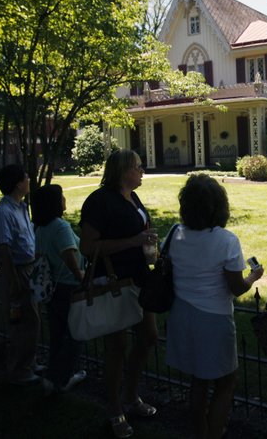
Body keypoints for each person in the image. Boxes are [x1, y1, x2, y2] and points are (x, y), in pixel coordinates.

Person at [165, 174, 264, 439]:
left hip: (181, 315)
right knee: (225, 381)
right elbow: (237, 288)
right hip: (213, 320)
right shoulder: (226, 240)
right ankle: (215, 432)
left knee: (198, 380)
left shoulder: (175, 234)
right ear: (219, 206)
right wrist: (254, 276)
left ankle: (200, 431)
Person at [80, 149, 159, 438]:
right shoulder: (99, 202)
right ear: (123, 170)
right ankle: (115, 409)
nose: (142, 171)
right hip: (113, 283)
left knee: (149, 336)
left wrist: (147, 243)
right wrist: (133, 241)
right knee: (116, 347)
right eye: (138, 166)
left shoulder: (132, 197)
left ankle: (130, 395)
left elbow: (138, 231)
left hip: (139, 277)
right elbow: (87, 248)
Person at [31, 184, 87, 395]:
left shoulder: (39, 227)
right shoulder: (60, 226)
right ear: (55, 203)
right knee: (75, 334)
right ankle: (60, 379)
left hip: (52, 287)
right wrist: (82, 278)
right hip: (69, 286)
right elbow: (70, 256)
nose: (65, 199)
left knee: (57, 333)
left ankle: (52, 375)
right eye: (61, 196)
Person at [0, 163, 40, 386]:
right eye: (26, 177)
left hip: (29, 268)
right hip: (17, 271)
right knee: (22, 323)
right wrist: (13, 279)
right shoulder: (3, 212)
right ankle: (20, 370)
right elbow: (3, 248)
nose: (29, 179)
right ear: (18, 183)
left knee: (32, 321)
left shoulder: (21, 207)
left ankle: (30, 362)